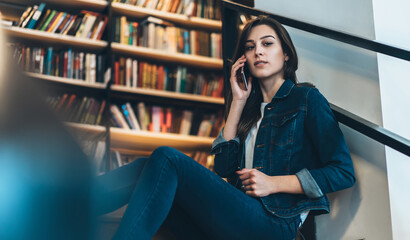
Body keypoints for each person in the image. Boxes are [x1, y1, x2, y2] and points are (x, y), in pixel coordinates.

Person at [94, 15, 355, 240]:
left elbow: (342, 172)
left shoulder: (306, 100)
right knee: (146, 168)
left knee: (167, 159)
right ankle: (72, 206)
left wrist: (274, 183)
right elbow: (223, 168)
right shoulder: (248, 111)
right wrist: (238, 102)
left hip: (274, 225)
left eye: (267, 44)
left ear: (286, 54)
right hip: (236, 221)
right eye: (250, 47)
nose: (258, 52)